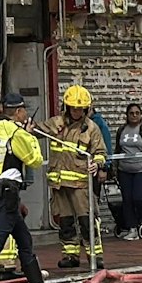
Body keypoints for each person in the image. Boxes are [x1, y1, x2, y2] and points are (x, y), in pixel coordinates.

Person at [0, 93, 59, 283]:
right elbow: (34, 160)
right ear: (18, 112)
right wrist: (28, 135)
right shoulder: (16, 132)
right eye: (24, 110)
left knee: (24, 240)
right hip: (8, 192)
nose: (25, 113)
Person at [40, 85, 107, 269]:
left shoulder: (91, 129)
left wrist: (98, 162)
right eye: (73, 108)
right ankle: (70, 255)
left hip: (80, 183)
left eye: (80, 108)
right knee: (66, 222)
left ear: (86, 109)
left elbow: (101, 151)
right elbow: (36, 131)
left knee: (87, 221)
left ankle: (95, 255)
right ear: (66, 107)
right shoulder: (56, 123)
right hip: (60, 183)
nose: (76, 111)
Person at [115, 103, 142, 240]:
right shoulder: (122, 130)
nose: (134, 116)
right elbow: (118, 149)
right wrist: (113, 169)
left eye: (137, 113)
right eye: (131, 113)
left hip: (141, 170)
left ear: (141, 115)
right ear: (127, 115)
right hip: (124, 170)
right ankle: (132, 228)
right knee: (127, 200)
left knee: (138, 197)